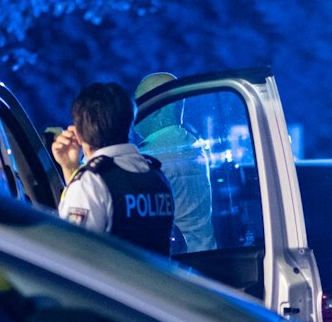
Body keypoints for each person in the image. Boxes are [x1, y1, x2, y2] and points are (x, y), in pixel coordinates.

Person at [50, 81, 177, 255]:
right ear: (129, 124)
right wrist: (70, 167)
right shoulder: (157, 177)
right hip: (154, 282)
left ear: (78, 135)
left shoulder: (91, 184)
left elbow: (71, 255)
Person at [132, 71, 217, 255]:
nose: (135, 112)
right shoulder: (192, 144)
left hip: (177, 263)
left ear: (155, 109)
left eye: (138, 103)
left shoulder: (152, 155)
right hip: (207, 254)